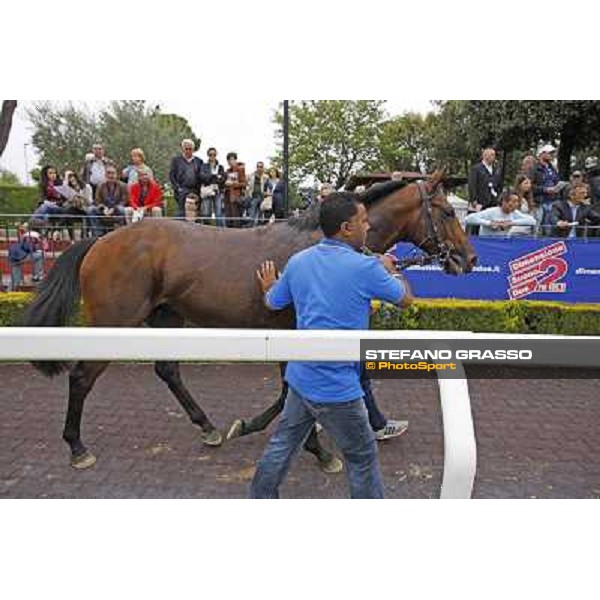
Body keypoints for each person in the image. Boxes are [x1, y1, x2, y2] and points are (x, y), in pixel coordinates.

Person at [249, 192, 414, 499]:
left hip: (300, 380)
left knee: (282, 447)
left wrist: (270, 286)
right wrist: (391, 269)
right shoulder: (367, 268)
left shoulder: (298, 262)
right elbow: (405, 299)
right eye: (363, 221)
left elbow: (272, 302)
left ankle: (259, 499)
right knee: (362, 458)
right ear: (346, 228)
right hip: (340, 389)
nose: (368, 227)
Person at [464, 188, 536, 236]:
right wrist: (489, 223)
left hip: (502, 243)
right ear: (504, 201)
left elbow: (532, 221)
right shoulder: (491, 211)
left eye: (517, 202)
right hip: (487, 243)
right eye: (513, 201)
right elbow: (468, 219)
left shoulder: (514, 213)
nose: (516, 204)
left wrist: (511, 223)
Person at [90, 164, 128, 236]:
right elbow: (97, 200)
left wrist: (113, 209)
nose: (111, 175)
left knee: (121, 209)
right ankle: (98, 234)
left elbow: (124, 200)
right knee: (91, 209)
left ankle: (122, 232)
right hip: (104, 210)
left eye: (113, 173)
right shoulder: (100, 185)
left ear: (116, 175)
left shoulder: (123, 185)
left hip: (116, 210)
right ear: (105, 175)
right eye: (108, 173)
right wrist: (104, 208)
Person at [169, 139, 203, 218]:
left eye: (190, 149)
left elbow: (202, 176)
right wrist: (177, 188)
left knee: (195, 211)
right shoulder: (176, 160)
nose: (188, 151)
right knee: (181, 212)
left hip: (195, 190)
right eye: (186, 149)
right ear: (183, 149)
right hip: (182, 189)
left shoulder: (199, 161)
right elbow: (172, 175)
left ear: (193, 149)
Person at [532, 144, 561, 235]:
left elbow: (556, 182)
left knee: (549, 229)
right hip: (539, 203)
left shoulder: (553, 169)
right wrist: (545, 189)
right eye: (550, 153)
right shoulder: (534, 168)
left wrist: (558, 187)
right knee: (536, 229)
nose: (552, 155)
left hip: (552, 202)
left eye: (553, 153)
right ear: (542, 154)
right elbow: (529, 186)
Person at [468, 148, 502, 212]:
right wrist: (473, 199)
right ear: (485, 156)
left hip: (493, 201)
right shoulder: (476, 169)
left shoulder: (496, 169)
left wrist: (499, 198)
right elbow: (472, 184)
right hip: (480, 201)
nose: (494, 157)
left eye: (494, 155)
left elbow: (499, 185)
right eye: (492, 154)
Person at [199, 147, 226, 226]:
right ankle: (207, 230)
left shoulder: (220, 167)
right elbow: (202, 177)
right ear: (208, 155)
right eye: (210, 154)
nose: (212, 156)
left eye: (214, 154)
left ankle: (220, 231)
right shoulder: (204, 166)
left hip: (217, 192)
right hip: (207, 192)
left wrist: (210, 177)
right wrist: (215, 176)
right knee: (206, 213)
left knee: (219, 213)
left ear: (216, 155)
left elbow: (223, 179)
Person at [223, 152, 246, 228]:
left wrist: (234, 184)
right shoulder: (227, 171)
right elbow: (224, 184)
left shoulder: (240, 169)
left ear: (236, 160)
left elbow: (244, 184)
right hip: (227, 197)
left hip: (236, 198)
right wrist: (225, 184)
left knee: (236, 220)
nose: (231, 161)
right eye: (229, 160)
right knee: (228, 218)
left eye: (233, 159)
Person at [246, 161, 269, 226]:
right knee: (254, 205)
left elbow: (268, 187)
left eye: (261, 167)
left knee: (257, 207)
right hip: (252, 196)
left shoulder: (266, 177)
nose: (259, 168)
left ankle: (252, 222)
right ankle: (253, 222)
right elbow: (247, 184)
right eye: (258, 167)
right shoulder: (251, 175)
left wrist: (267, 193)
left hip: (262, 196)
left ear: (263, 168)